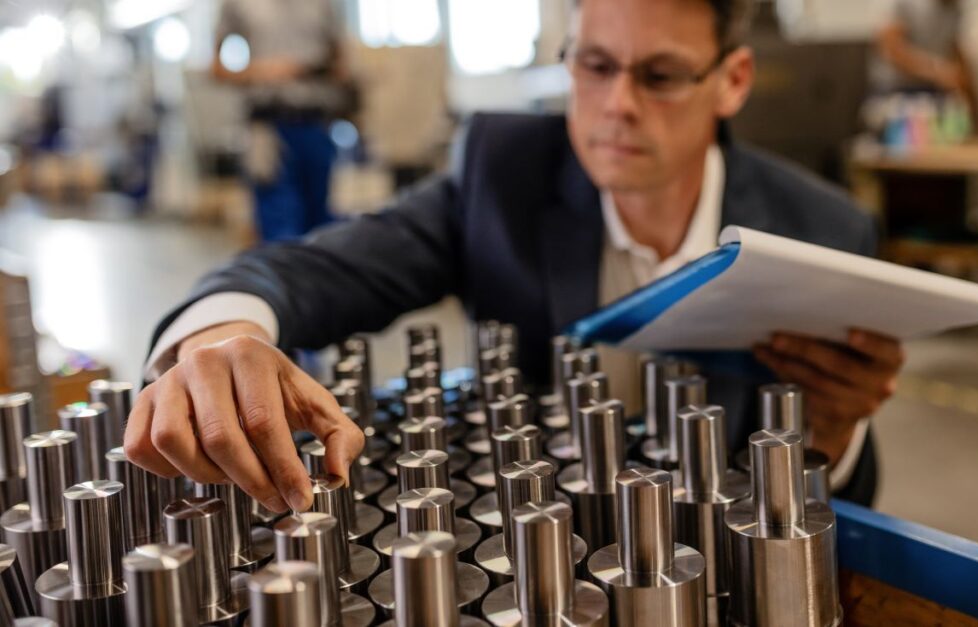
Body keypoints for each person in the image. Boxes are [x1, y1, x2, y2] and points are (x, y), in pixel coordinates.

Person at [127, 0, 904, 515]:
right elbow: (312, 269)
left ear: (732, 79)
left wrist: (831, 434)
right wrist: (219, 338)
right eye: (594, 65)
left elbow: (851, 511)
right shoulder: (502, 172)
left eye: (660, 75)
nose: (618, 105)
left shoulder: (823, 229)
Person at [212, 0, 350, 242]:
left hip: (314, 124)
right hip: (268, 127)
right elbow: (216, 69)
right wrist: (264, 71)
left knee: (319, 228)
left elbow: (340, 60)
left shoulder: (323, 4)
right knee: (279, 228)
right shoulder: (238, 4)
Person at [876, 0, 967, 94]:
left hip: (936, 90)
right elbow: (892, 50)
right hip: (896, 89)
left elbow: (955, 51)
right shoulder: (904, 3)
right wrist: (938, 72)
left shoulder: (955, 9)